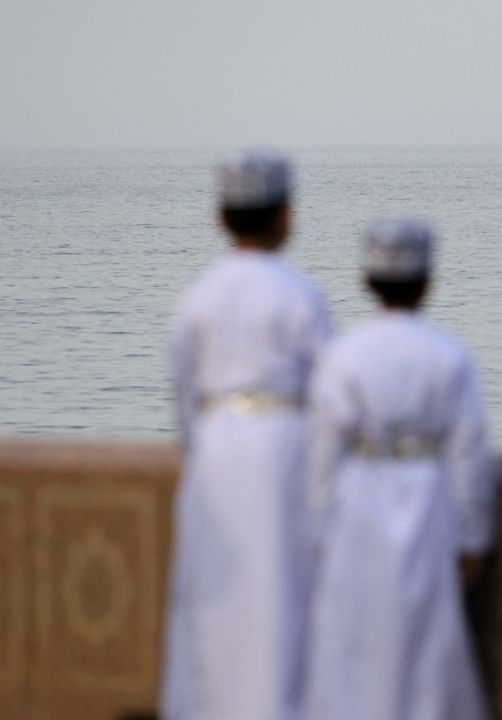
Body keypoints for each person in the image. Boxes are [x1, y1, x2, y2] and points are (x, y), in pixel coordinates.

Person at [162, 149, 333, 720]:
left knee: (211, 604)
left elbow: (184, 396)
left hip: (214, 451)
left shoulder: (197, 297)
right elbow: (327, 399)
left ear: (220, 218)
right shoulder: (301, 294)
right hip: (284, 450)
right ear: (286, 216)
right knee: (283, 602)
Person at [306, 218, 496, 720]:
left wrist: (320, 528)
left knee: (356, 638)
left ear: (366, 281)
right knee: (428, 639)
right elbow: (468, 456)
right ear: (428, 281)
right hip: (430, 498)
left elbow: (322, 455)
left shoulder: (343, 355)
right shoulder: (448, 355)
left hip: (360, 500)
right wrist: (474, 537)